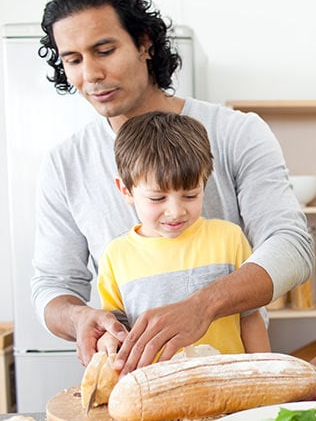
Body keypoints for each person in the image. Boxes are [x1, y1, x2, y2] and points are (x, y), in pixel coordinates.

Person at [34, 0, 313, 374]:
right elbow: (52, 284)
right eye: (74, 60)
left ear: (144, 44)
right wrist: (79, 318)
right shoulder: (64, 164)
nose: (91, 74)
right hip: (141, 381)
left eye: (104, 51)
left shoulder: (237, 132)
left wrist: (203, 306)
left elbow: (292, 247)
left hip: (230, 374)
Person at [94, 111, 267, 356]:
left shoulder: (229, 239)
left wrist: (265, 377)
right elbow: (116, 333)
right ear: (126, 190)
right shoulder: (116, 256)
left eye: (190, 195)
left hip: (229, 386)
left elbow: (250, 318)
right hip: (156, 390)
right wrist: (106, 343)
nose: (175, 212)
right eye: (157, 198)